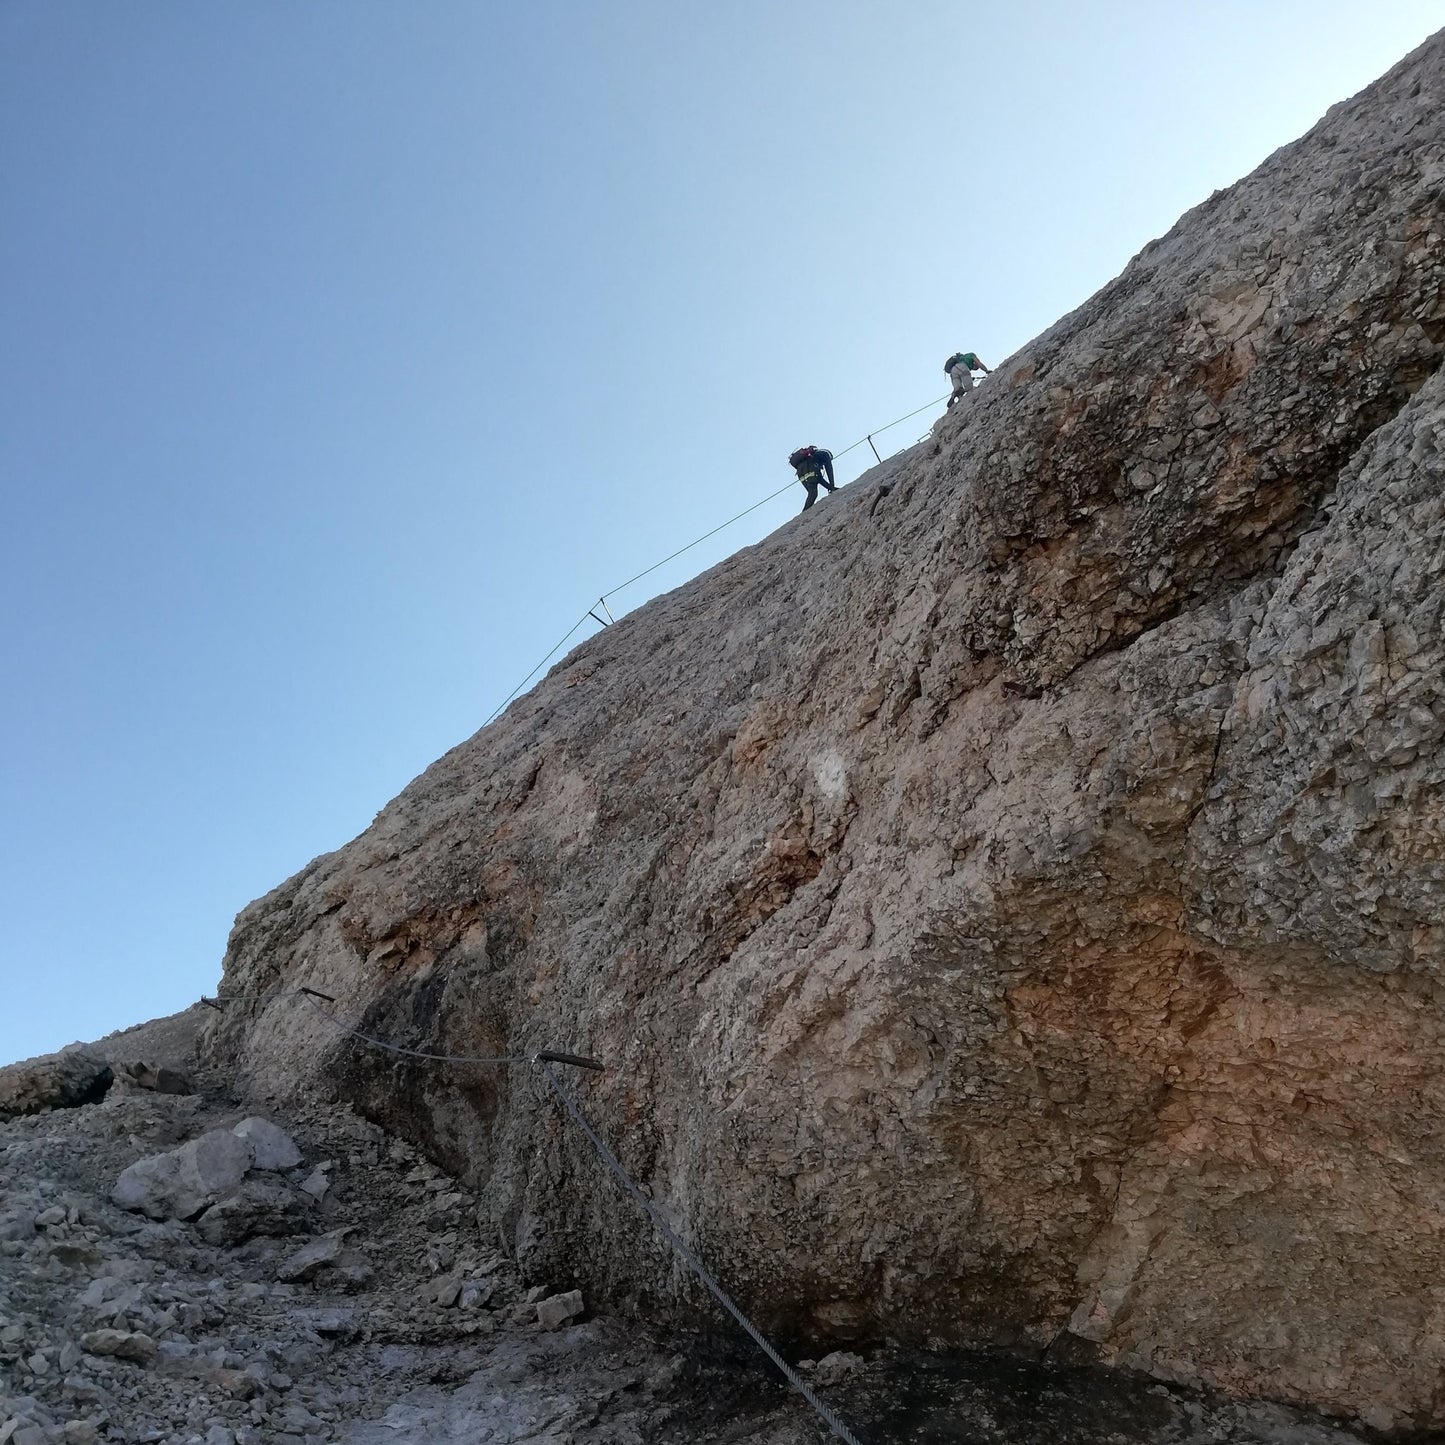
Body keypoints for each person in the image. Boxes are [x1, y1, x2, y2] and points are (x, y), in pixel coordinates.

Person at [789, 445, 836, 511]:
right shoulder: (825, 454)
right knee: (813, 493)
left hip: (800, 473)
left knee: (812, 493)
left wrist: (831, 488)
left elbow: (819, 479)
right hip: (808, 469)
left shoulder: (812, 460)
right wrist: (832, 484)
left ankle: (805, 511)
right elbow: (829, 470)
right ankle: (805, 512)